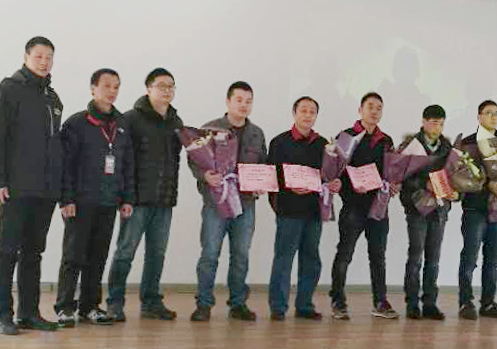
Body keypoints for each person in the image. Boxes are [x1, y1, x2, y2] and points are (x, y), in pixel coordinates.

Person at [0, 36, 64, 335]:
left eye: (49, 57)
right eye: (39, 56)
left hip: (45, 190)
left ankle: (29, 313)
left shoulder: (52, 98)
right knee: (7, 251)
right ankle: (2, 314)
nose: (44, 62)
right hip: (15, 188)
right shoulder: (6, 90)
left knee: (33, 252)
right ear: (26, 57)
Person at [54, 69, 135, 327]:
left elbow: (127, 164)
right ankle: (65, 307)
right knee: (73, 256)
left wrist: (127, 198)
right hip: (80, 202)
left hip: (109, 201)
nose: (112, 91)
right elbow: (65, 165)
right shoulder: (77, 123)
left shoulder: (122, 124)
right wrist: (66, 199)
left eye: (116, 86)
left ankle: (89, 306)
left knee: (98, 257)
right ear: (92, 88)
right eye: (107, 85)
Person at [106, 68, 184, 322]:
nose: (167, 90)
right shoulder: (131, 119)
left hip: (164, 201)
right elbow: (122, 160)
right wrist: (124, 197)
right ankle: (114, 303)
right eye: (161, 86)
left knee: (157, 254)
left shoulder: (176, 122)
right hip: (136, 200)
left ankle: (151, 302)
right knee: (125, 252)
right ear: (148, 88)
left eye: (171, 86)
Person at [189, 81, 267, 322]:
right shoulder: (209, 129)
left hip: (245, 204)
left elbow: (263, 164)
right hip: (216, 204)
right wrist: (205, 175)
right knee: (210, 254)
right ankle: (203, 304)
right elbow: (194, 160)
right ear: (228, 101)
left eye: (249, 101)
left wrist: (262, 182)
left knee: (241, 255)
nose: (244, 105)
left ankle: (238, 304)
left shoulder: (257, 133)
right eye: (239, 100)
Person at [266, 97, 339, 321]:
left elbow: (328, 176)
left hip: (313, 211)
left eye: (312, 111)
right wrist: (289, 187)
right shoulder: (279, 142)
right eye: (304, 110)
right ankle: (278, 307)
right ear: (294, 113)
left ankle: (304, 305)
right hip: (288, 210)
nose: (308, 115)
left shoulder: (324, 145)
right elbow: (271, 175)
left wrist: (334, 183)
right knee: (284, 259)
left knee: (311, 259)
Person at [329, 92, 399, 320]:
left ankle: (380, 301)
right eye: (370, 106)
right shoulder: (346, 136)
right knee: (345, 254)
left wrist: (394, 184)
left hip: (378, 207)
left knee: (378, 257)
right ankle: (338, 301)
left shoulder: (386, 140)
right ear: (360, 110)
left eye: (379, 108)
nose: (375, 111)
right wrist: (349, 187)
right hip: (353, 206)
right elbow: (336, 171)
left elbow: (391, 172)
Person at [457, 100, 497, 320]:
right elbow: (461, 173)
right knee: (470, 258)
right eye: (488, 113)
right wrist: (487, 182)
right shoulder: (467, 143)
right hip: (474, 208)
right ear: (479, 117)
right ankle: (465, 302)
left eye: (496, 113)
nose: (493, 116)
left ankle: (488, 303)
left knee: (492, 260)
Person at [399, 104, 454, 320]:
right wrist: (425, 184)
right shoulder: (411, 146)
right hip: (417, 209)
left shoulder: (448, 147)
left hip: (439, 210)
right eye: (433, 122)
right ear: (423, 122)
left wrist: (455, 192)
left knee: (434, 258)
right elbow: (401, 176)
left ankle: (430, 302)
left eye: (441, 123)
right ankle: (412, 302)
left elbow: (455, 174)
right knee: (415, 255)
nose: (437, 127)